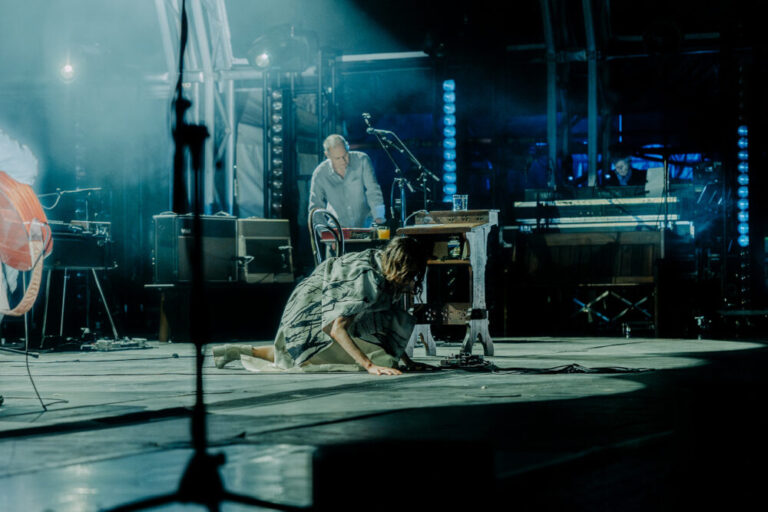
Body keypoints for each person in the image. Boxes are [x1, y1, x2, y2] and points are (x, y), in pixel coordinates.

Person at [213, 236, 435, 375]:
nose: (412, 280)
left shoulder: (383, 265)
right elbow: (336, 328)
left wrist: (406, 361)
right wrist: (369, 366)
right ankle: (236, 352)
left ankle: (234, 352)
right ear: (401, 266)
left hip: (325, 298)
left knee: (379, 351)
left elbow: (388, 324)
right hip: (311, 304)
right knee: (306, 355)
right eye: (411, 274)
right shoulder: (367, 278)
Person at [308, 134, 386, 228]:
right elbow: (315, 207)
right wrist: (323, 231)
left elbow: (373, 190)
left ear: (348, 148)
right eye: (337, 158)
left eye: (345, 155)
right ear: (327, 155)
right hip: (337, 229)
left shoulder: (362, 160)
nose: (343, 161)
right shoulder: (320, 173)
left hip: (365, 225)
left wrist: (378, 217)